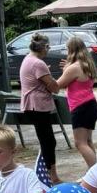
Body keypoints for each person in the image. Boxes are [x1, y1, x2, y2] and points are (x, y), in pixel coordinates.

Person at [19, 33, 62, 185]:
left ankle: (50, 174)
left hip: (30, 105)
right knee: (48, 141)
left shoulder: (28, 59)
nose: (48, 50)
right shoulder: (38, 64)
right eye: (48, 47)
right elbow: (55, 88)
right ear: (43, 47)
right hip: (38, 106)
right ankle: (52, 177)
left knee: (47, 140)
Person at [57, 36, 97, 167]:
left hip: (80, 107)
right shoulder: (87, 64)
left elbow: (58, 85)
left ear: (71, 49)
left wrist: (65, 70)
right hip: (91, 104)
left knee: (80, 143)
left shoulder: (73, 67)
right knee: (87, 141)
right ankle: (95, 171)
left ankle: (94, 173)